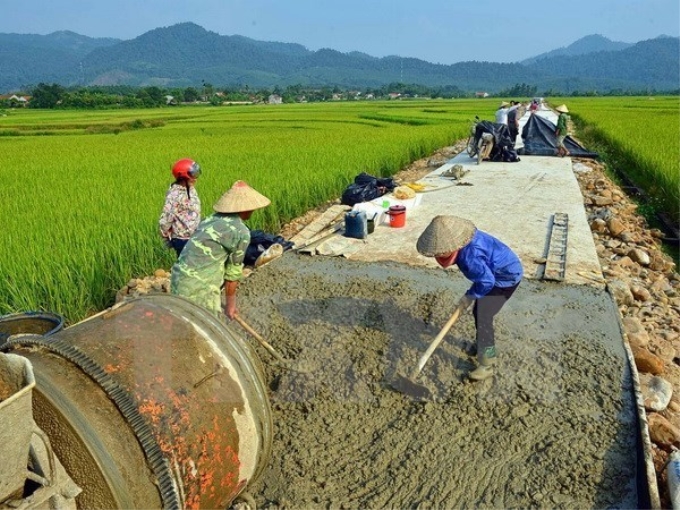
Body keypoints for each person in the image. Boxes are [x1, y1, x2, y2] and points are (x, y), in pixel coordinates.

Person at [416, 215, 523, 381]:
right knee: (478, 312)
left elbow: (487, 281)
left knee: (483, 316)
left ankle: (487, 364)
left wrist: (470, 295)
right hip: (495, 271)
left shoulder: (469, 258)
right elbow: (484, 278)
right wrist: (471, 295)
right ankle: (481, 346)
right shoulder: (465, 242)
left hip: (506, 278)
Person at [171, 180, 270, 319]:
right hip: (200, 288)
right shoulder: (240, 232)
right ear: (245, 208)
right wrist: (230, 306)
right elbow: (232, 273)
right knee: (206, 330)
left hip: (178, 279)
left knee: (183, 324)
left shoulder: (211, 219)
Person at [159, 158, 202, 257]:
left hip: (194, 236)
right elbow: (167, 216)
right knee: (187, 267)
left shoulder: (191, 189)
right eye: (193, 175)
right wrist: (164, 233)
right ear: (182, 176)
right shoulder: (174, 195)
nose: (195, 178)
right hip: (182, 239)